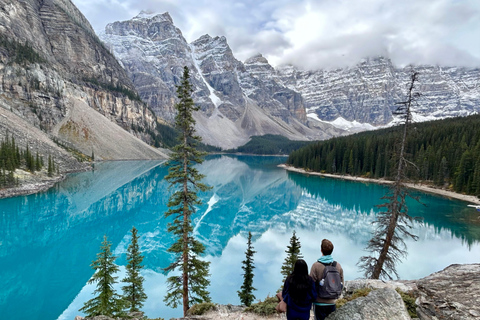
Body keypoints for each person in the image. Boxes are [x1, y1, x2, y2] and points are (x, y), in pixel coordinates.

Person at [310, 239, 344, 320]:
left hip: (319, 302)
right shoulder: (337, 265)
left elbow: (311, 284)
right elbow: (341, 283)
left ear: (321, 250)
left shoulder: (316, 266)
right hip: (332, 302)